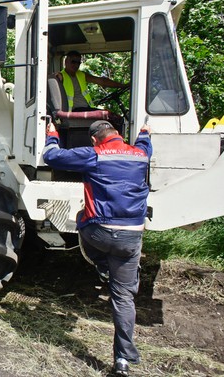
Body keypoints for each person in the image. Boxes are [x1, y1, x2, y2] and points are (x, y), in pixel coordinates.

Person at [43, 119, 153, 376]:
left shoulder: (94, 154)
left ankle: (102, 266)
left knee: (82, 220)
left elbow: (51, 157)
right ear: (117, 134)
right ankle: (123, 360)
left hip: (99, 233)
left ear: (94, 139)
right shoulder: (140, 155)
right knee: (123, 299)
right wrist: (145, 131)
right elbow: (146, 144)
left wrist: (51, 134)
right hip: (131, 238)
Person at [54, 50, 129, 111]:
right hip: (73, 112)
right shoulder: (61, 76)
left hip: (86, 108)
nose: (76, 65)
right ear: (66, 61)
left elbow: (102, 81)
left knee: (109, 115)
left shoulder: (81, 75)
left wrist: (122, 86)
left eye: (78, 63)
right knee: (106, 116)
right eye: (73, 62)